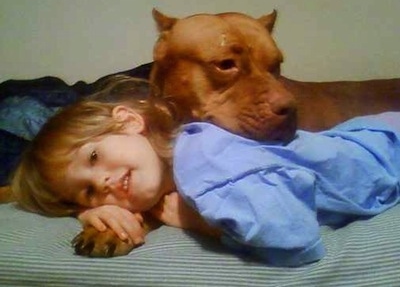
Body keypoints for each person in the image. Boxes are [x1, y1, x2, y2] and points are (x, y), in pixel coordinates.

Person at [10, 75, 400, 266]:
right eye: (88, 191)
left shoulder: (204, 162)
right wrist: (92, 210)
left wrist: (199, 221)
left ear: (129, 120)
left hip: (387, 148)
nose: (104, 182)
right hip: (358, 137)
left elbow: (297, 241)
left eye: (94, 158)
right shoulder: (172, 157)